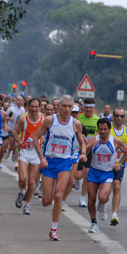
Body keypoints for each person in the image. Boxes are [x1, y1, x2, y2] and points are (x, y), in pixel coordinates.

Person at [32, 94, 87, 241]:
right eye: (64, 106)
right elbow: (35, 139)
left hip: (65, 162)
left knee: (58, 195)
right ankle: (45, 192)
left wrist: (83, 153)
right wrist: (41, 158)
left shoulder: (76, 124)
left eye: (70, 107)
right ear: (59, 107)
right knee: (46, 201)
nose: (67, 109)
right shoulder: (50, 120)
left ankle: (54, 230)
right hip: (49, 162)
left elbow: (83, 142)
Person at [85, 118, 127, 232]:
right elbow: (84, 155)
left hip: (107, 173)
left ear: (109, 129)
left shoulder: (115, 141)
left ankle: (102, 205)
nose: (102, 131)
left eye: (105, 129)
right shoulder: (93, 139)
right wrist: (89, 146)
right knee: (91, 200)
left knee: (102, 197)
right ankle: (94, 222)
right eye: (100, 129)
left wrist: (119, 164)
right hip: (94, 171)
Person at [13, 98, 44, 215]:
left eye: (37, 107)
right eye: (32, 107)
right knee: (22, 178)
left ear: (40, 107)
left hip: (36, 152)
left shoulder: (43, 119)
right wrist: (18, 141)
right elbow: (15, 132)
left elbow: (47, 132)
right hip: (25, 151)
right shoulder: (23, 119)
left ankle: (27, 205)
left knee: (31, 182)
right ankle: (21, 192)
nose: (34, 109)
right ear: (28, 107)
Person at [76, 98, 99, 207]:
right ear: (83, 107)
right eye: (87, 107)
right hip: (78, 149)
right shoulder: (78, 118)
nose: (89, 109)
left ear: (94, 108)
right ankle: (75, 180)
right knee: (78, 175)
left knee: (87, 174)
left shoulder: (97, 120)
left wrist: (93, 139)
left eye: (91, 107)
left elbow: (100, 133)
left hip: (91, 151)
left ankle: (82, 198)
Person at [109, 107, 127, 225]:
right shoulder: (107, 129)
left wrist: (121, 162)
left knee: (117, 186)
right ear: (112, 117)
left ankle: (114, 214)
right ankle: (102, 204)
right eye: (117, 116)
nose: (119, 118)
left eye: (121, 116)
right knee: (105, 192)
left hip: (119, 164)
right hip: (105, 164)